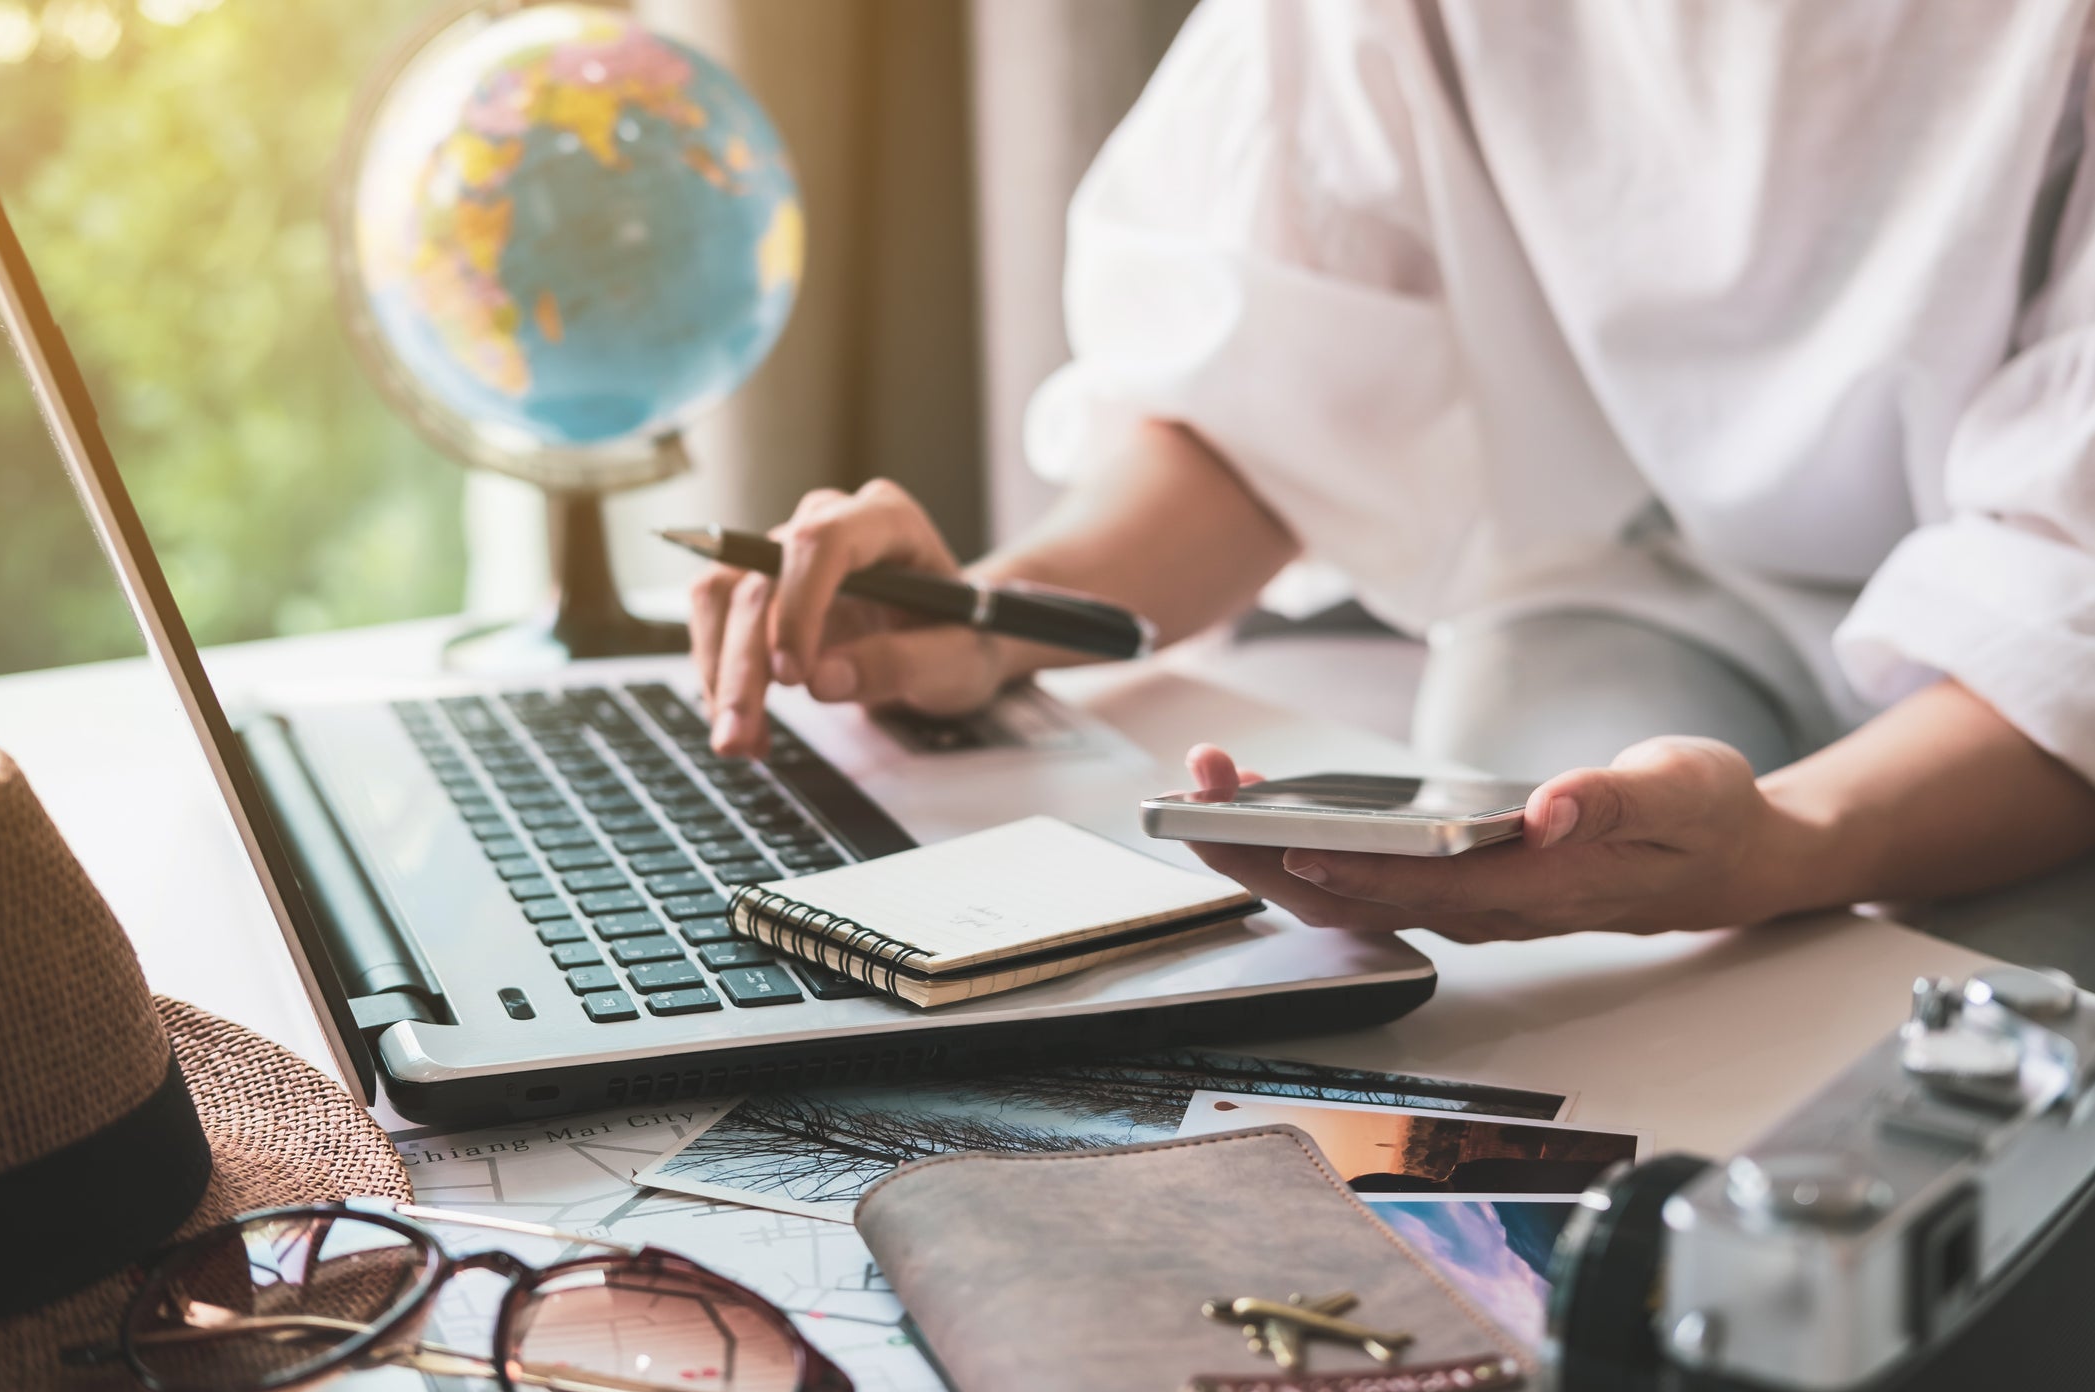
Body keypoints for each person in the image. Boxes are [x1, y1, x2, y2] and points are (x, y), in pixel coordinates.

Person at [689, 2, 2095, 949]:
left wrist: (1786, 846)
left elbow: (2065, 618)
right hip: (1627, 596)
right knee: (1537, 965)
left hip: (2030, 691)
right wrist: (989, 611)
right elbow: (1262, 405)